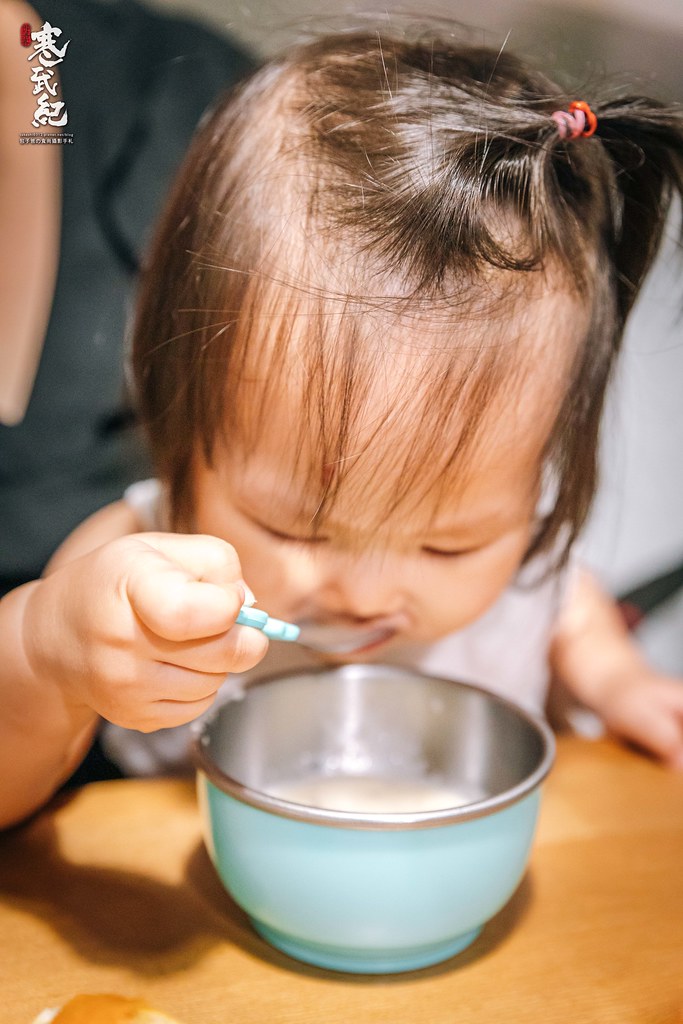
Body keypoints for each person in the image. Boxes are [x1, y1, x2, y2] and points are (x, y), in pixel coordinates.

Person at [2, 28, 683, 828]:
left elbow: (570, 607)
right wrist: (45, 657)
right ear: (175, 417)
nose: (363, 596)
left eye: (448, 544)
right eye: (295, 526)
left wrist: (618, 682)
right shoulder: (138, 563)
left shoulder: (521, 566)